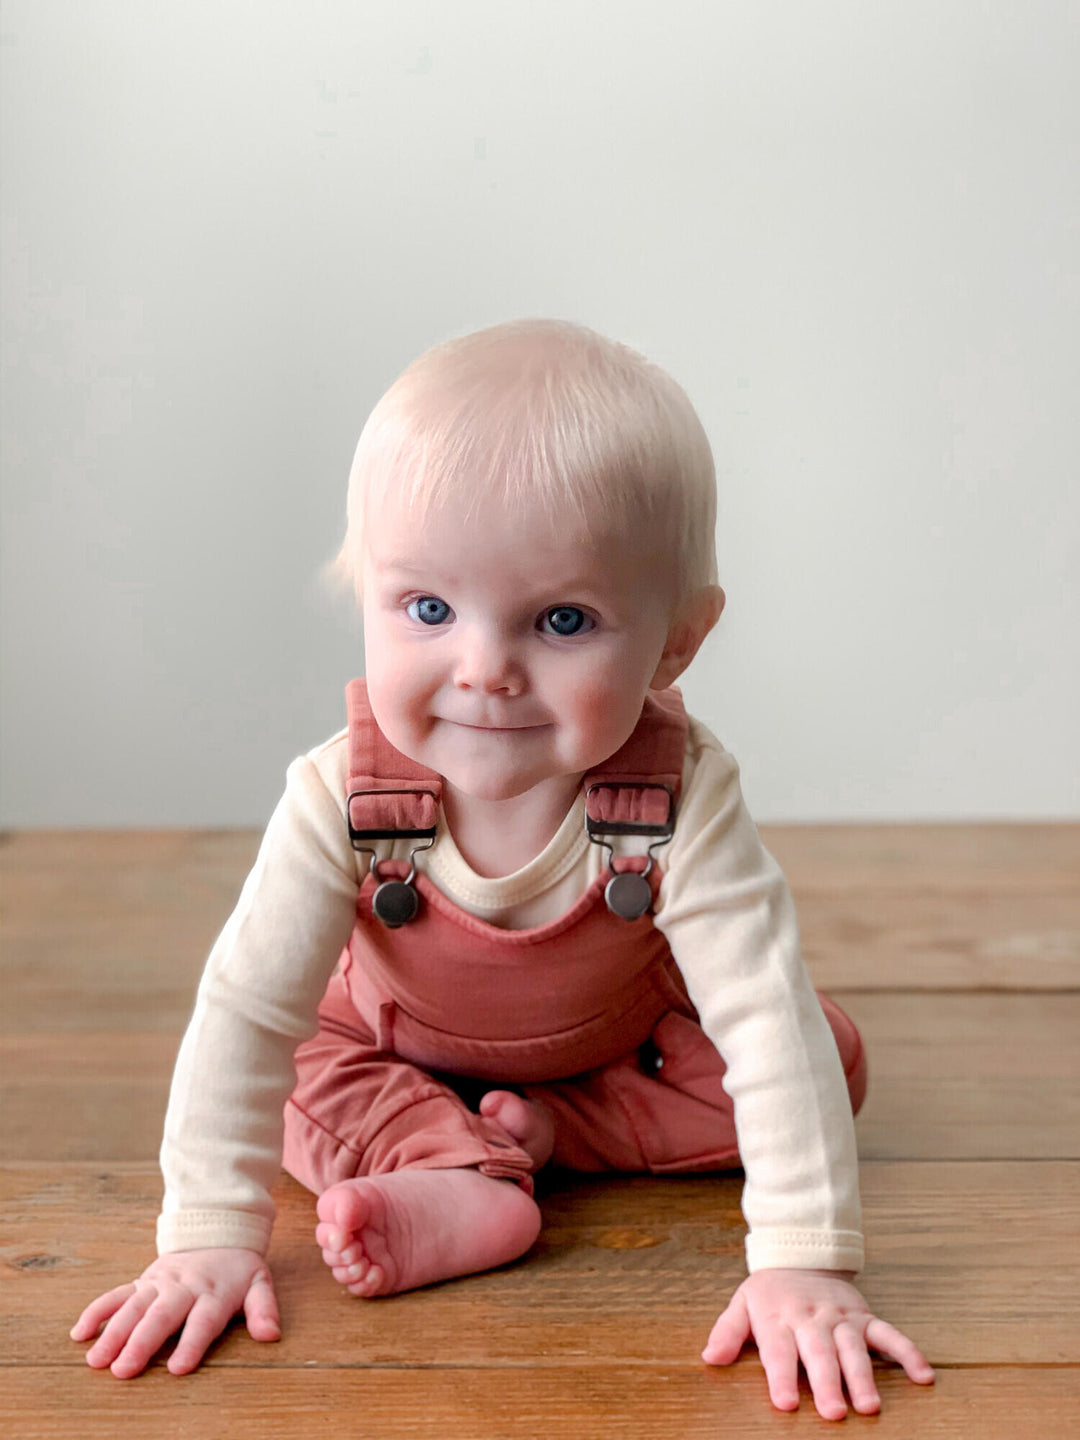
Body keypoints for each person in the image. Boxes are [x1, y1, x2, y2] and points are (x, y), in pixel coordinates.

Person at [71, 319, 934, 1417]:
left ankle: (536, 1134)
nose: (485, 670)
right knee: (286, 1074)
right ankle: (457, 1175)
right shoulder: (341, 795)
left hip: (620, 1048)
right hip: (392, 1047)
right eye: (428, 609)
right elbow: (248, 1014)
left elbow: (759, 1013)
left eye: (562, 620)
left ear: (677, 641)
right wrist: (205, 1235)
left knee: (822, 1054)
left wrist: (806, 1259)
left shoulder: (682, 797)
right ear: (365, 593)